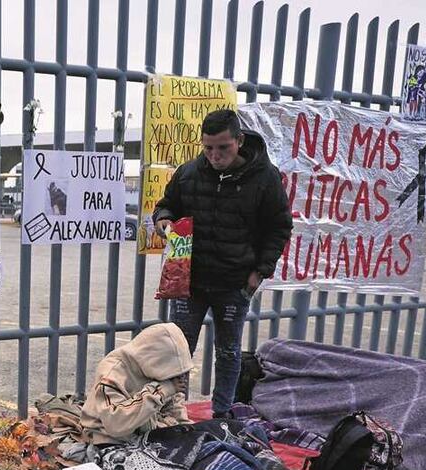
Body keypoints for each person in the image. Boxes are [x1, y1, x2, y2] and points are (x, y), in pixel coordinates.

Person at [153, 108, 293, 418]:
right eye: (208, 148)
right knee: (178, 350)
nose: (215, 155)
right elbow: (166, 206)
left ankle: (222, 414)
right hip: (189, 282)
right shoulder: (188, 173)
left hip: (234, 283)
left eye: (223, 148)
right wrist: (164, 222)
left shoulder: (265, 178)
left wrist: (260, 272)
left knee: (228, 352)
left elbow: (279, 227)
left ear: (239, 141)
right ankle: (173, 414)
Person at [80, 322, 195, 448]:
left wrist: (188, 430)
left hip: (149, 433)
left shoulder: (165, 372)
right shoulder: (113, 373)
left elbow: (175, 407)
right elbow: (115, 425)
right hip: (111, 439)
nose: (176, 379)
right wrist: (160, 392)